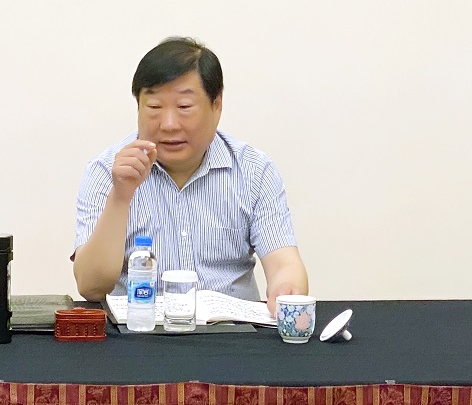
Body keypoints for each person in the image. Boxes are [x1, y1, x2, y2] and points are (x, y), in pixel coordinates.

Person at [72, 37, 308, 315]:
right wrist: (121, 196)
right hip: (140, 333)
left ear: (216, 105)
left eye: (184, 107)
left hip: (232, 333)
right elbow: (91, 287)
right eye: (154, 107)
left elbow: (284, 265)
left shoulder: (254, 171)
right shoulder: (106, 172)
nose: (169, 124)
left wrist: (286, 289)